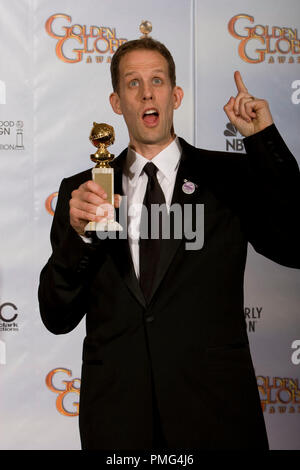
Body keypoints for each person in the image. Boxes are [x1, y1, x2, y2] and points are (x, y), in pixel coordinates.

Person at [38, 37, 300, 450]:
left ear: (175, 95)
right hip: (118, 421)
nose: (147, 92)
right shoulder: (84, 192)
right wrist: (79, 236)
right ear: (116, 101)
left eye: (157, 80)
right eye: (133, 83)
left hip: (215, 417)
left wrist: (262, 140)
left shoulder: (228, 177)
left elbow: (295, 243)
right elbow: (56, 315)